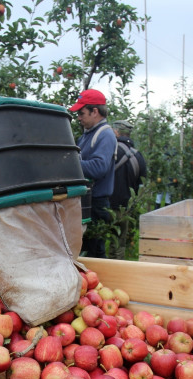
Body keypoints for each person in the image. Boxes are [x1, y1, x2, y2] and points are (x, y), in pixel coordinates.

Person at [68, 88, 117, 258]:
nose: (79, 118)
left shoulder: (105, 135)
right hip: (85, 202)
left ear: (94, 111)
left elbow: (99, 167)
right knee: (83, 250)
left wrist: (69, 164)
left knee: (95, 253)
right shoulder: (86, 136)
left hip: (97, 204)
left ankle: (99, 284)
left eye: (82, 113)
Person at [108, 120, 147, 260]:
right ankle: (117, 271)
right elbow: (142, 183)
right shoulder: (138, 156)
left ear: (116, 132)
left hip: (105, 204)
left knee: (97, 240)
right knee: (118, 244)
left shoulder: (110, 150)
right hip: (125, 208)